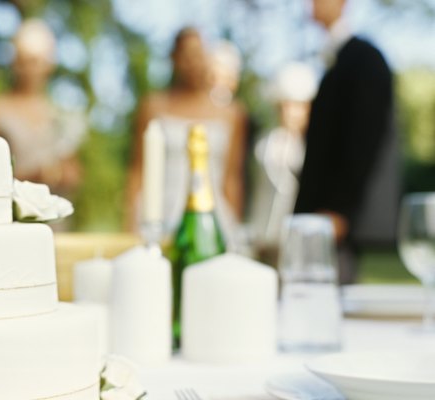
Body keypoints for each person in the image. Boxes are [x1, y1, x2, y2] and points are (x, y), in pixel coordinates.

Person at [294, 0, 396, 283]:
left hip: (334, 221)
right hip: (318, 219)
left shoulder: (364, 59)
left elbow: (364, 138)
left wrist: (340, 208)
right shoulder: (336, 60)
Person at [126, 28, 247, 248]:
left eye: (199, 54)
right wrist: (129, 228)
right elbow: (137, 171)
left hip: (213, 217)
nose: (193, 62)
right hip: (160, 216)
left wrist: (235, 229)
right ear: (174, 58)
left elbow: (232, 178)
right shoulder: (153, 107)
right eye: (186, 55)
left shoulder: (231, 114)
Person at [0, 19, 86, 199]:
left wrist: (66, 174)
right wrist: (29, 177)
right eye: (23, 61)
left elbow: (73, 168)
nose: (29, 69)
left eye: (35, 61)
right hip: (8, 210)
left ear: (49, 64)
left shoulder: (59, 113)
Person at [250, 62, 317, 265]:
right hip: (265, 235)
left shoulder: (311, 148)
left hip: (298, 237)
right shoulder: (265, 143)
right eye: (286, 106)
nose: (291, 113)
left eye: (299, 106)